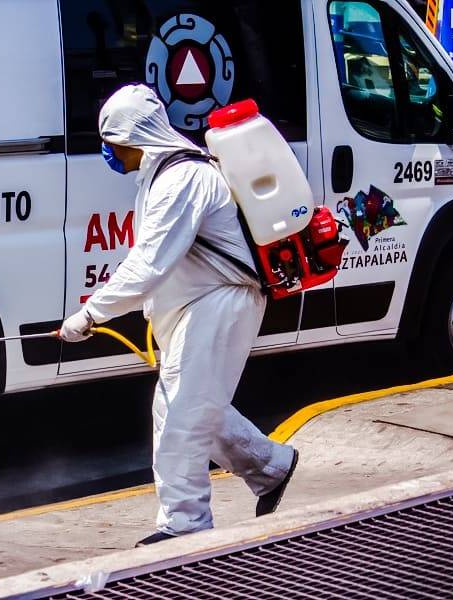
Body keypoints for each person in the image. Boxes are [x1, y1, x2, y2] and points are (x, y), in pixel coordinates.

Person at [60, 84, 298, 547]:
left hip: (220, 302)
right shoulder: (161, 173)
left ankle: (185, 525)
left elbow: (150, 262)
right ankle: (271, 467)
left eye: (111, 142)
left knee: (180, 416)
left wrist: (90, 315)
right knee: (191, 408)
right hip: (200, 304)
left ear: (134, 137)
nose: (107, 151)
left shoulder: (181, 180)